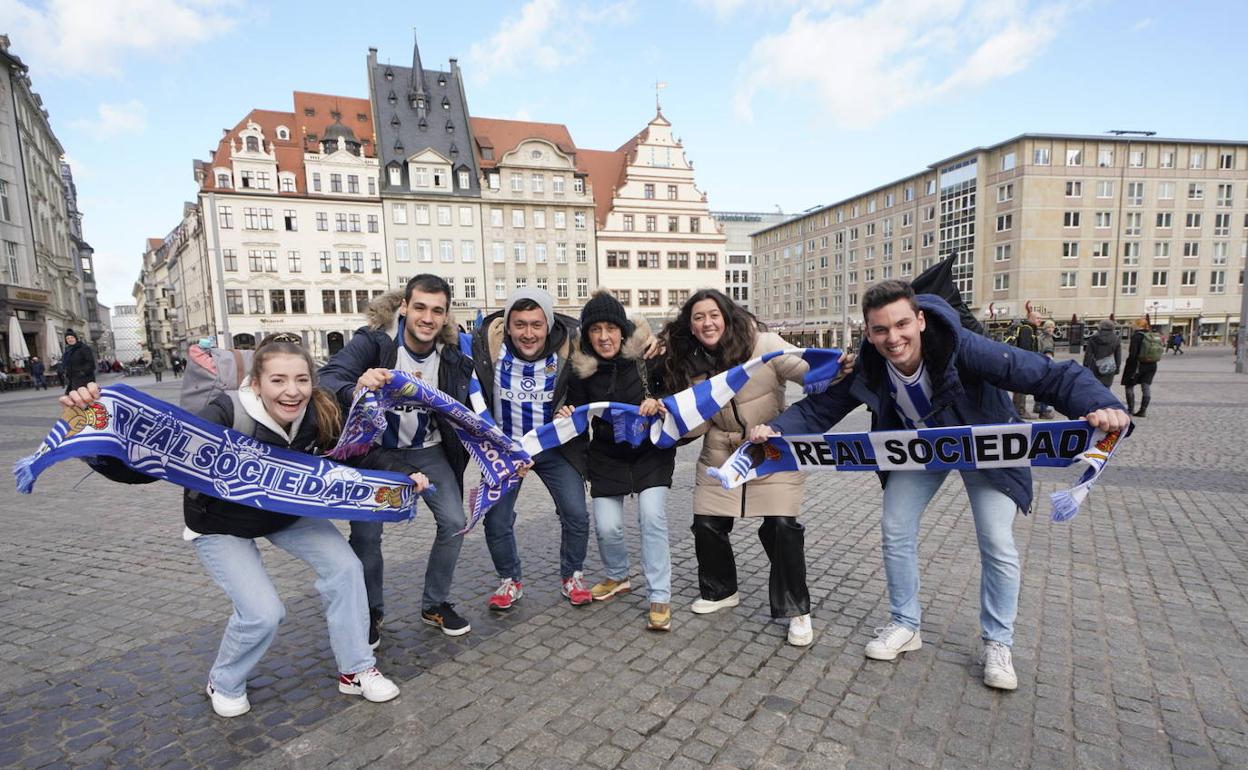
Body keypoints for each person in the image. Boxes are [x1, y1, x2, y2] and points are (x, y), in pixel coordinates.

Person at [752, 280, 1130, 689]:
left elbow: (1046, 375)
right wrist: (776, 430)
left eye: (901, 325)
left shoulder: (962, 347)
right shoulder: (871, 364)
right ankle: (905, 624)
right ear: (869, 333)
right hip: (919, 450)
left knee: (996, 540)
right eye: (880, 330)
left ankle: (998, 643)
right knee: (895, 527)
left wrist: (1102, 405)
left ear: (919, 320)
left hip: (986, 447)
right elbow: (822, 407)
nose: (893, 338)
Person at [60, 335, 415, 717]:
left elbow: (356, 454)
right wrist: (92, 432)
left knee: (346, 568)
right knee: (263, 613)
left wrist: (403, 473)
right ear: (256, 384)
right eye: (278, 380)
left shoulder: (319, 411)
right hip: (220, 522)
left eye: (301, 380)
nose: (292, 391)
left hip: (284, 512)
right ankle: (224, 680)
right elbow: (149, 463)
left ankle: (356, 669)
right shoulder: (225, 414)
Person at [319, 274, 477, 642]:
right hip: (376, 453)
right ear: (404, 306)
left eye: (437, 311)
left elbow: (475, 404)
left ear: (446, 316)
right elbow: (327, 378)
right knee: (366, 534)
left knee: (455, 521)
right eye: (420, 307)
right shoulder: (374, 341)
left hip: (429, 449)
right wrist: (355, 387)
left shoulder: (451, 356)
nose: (427, 318)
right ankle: (370, 611)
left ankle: (435, 603)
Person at [658, 289, 819, 647]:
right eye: (698, 317)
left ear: (727, 316)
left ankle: (796, 609)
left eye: (713, 314)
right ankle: (721, 591)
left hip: (772, 449)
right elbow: (701, 423)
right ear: (691, 326)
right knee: (706, 524)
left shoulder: (764, 344)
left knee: (781, 527)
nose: (707, 323)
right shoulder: (692, 364)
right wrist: (673, 418)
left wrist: (786, 424)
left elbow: (814, 375)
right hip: (720, 452)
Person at [558, 291, 676, 631]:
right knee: (607, 526)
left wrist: (659, 401)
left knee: (651, 518)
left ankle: (659, 595)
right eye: (596, 329)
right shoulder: (581, 369)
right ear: (586, 334)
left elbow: (674, 391)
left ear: (622, 330)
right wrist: (565, 413)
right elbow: (575, 413)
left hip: (650, 452)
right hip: (607, 454)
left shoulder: (647, 355)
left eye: (611, 328)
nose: (604, 337)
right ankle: (617, 575)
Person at [470, 287, 592, 609]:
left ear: (548, 325)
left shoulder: (570, 348)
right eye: (520, 324)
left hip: (553, 448)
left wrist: (570, 407)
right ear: (508, 326)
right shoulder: (488, 346)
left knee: (576, 513)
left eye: (536, 325)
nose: (528, 333)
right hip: (505, 451)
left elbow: (595, 375)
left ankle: (572, 576)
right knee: (496, 520)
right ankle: (509, 579)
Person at [1122, 318, 1159, 418]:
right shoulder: (1152, 335)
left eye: (1134, 324)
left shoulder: (1137, 336)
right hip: (1152, 364)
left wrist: (1129, 366)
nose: (1133, 325)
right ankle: (1143, 410)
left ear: (1138, 325)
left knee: (1129, 386)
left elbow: (1132, 353)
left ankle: (1131, 409)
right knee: (1146, 386)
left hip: (1137, 365)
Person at [1010, 310, 1039, 418]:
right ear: (1031, 318)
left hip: (1020, 363)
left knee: (1020, 387)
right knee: (1021, 387)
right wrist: (1028, 363)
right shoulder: (1027, 329)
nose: (1040, 320)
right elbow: (1025, 348)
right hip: (1023, 363)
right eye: (1038, 318)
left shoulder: (1027, 328)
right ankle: (1020, 411)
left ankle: (1017, 409)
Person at [1082, 319, 1121, 387]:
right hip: (1109, 366)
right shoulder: (1116, 339)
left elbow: (1088, 354)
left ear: (1100, 326)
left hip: (1095, 366)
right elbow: (1118, 356)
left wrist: (1085, 366)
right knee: (1106, 388)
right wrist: (1117, 368)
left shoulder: (1093, 338)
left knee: (1095, 387)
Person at [1032, 320, 1057, 419]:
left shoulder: (1041, 336)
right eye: (1048, 327)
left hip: (1039, 363)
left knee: (1039, 387)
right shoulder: (1047, 338)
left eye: (1052, 327)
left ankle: (1038, 406)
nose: (1050, 329)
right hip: (1045, 364)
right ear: (1045, 328)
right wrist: (1051, 365)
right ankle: (1043, 410)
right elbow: (1048, 352)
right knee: (1045, 387)